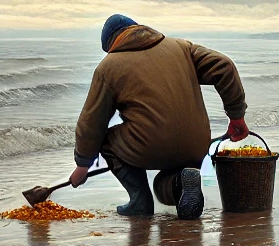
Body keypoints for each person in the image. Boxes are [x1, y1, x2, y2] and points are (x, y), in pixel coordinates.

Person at [69, 13, 247, 220]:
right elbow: (224, 66)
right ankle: (181, 183)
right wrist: (236, 116)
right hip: (197, 144)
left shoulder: (108, 67)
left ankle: (139, 201)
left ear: (111, 44)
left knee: (106, 141)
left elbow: (92, 123)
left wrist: (83, 164)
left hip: (151, 144)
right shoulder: (181, 47)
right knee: (167, 183)